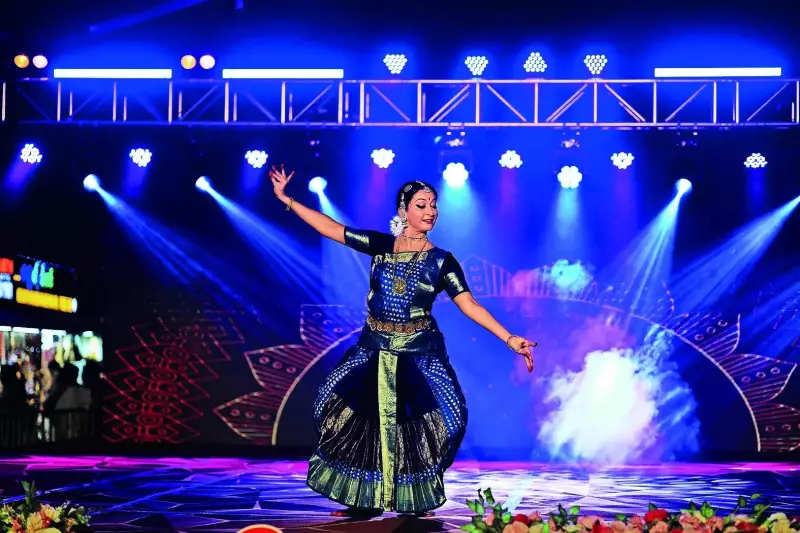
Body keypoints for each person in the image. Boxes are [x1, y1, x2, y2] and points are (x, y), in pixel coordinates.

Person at [269, 165, 537, 517]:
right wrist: (287, 200)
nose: (430, 212)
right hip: (374, 349)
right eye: (421, 205)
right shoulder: (381, 246)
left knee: (442, 421)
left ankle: (414, 499)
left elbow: (469, 303)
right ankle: (364, 500)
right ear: (403, 211)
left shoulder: (442, 262)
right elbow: (331, 228)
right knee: (353, 418)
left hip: (418, 353)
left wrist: (509, 338)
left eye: (433, 205)